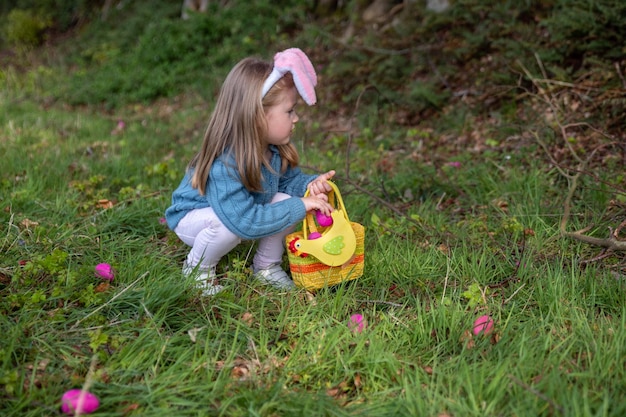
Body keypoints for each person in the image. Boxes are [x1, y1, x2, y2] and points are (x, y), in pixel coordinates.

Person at [165, 48, 335, 295]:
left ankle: (266, 266)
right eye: (289, 111)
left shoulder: (273, 150)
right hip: (195, 218)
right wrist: (300, 206)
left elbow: (289, 184)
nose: (296, 118)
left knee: (289, 201)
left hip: (237, 212)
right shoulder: (226, 163)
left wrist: (311, 187)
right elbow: (242, 221)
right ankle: (197, 270)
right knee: (228, 227)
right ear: (257, 116)